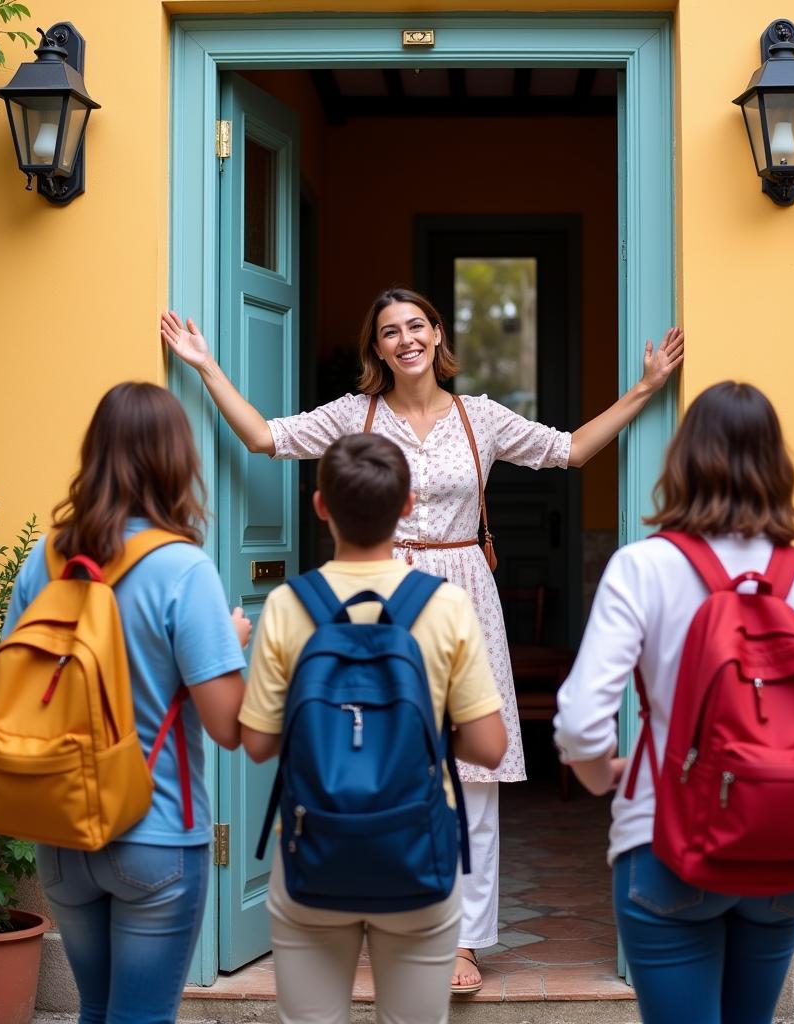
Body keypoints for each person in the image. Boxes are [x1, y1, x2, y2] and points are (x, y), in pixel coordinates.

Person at [161, 287, 684, 992]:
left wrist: (646, 390)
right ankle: (375, 908)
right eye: (389, 331)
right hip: (373, 594)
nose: (405, 339)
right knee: (374, 746)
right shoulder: (356, 414)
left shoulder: (482, 417)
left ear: (439, 334)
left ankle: (465, 942)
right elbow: (266, 438)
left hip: (464, 594)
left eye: (416, 325)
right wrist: (205, 366)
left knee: (475, 771)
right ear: (375, 349)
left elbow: (569, 451)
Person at [553, 381, 794, 1024]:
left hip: (662, 838)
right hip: (782, 855)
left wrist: (604, 778)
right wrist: (788, 788)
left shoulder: (642, 568)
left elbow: (579, 723)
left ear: (683, 461)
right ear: (777, 466)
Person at [2, 382, 252, 1024]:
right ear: (176, 460)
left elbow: (6, 678)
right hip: (157, 834)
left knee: (97, 1011)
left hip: (60, 832)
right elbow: (229, 726)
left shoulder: (48, 557)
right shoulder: (183, 568)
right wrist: (234, 643)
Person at [239, 432, 507, 1024]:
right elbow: (489, 748)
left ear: (319, 506)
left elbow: (257, 744)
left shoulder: (288, 605)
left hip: (313, 848)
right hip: (416, 849)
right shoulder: (444, 605)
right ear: (409, 504)